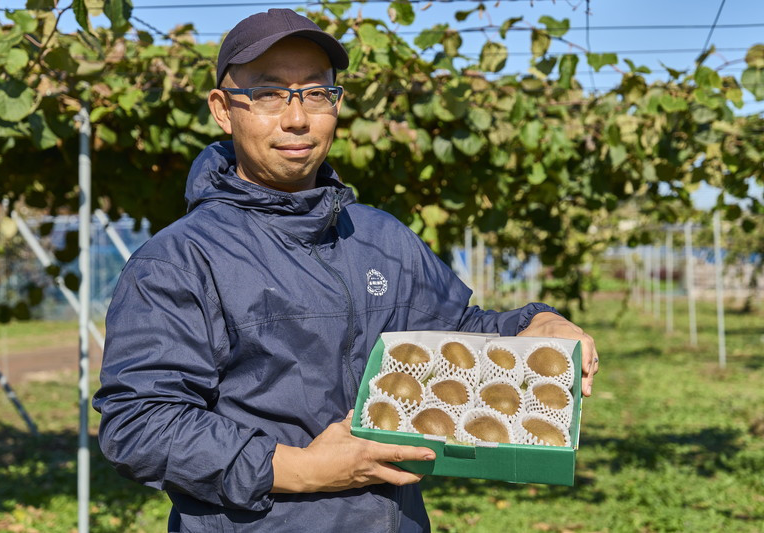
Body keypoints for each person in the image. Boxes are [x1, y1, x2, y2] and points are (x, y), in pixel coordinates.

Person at [93, 8, 600, 533]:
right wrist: (302, 470)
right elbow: (141, 424)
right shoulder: (180, 260)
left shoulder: (379, 236)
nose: (297, 118)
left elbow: (456, 334)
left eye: (316, 93)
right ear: (223, 109)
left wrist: (535, 326)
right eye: (269, 94)